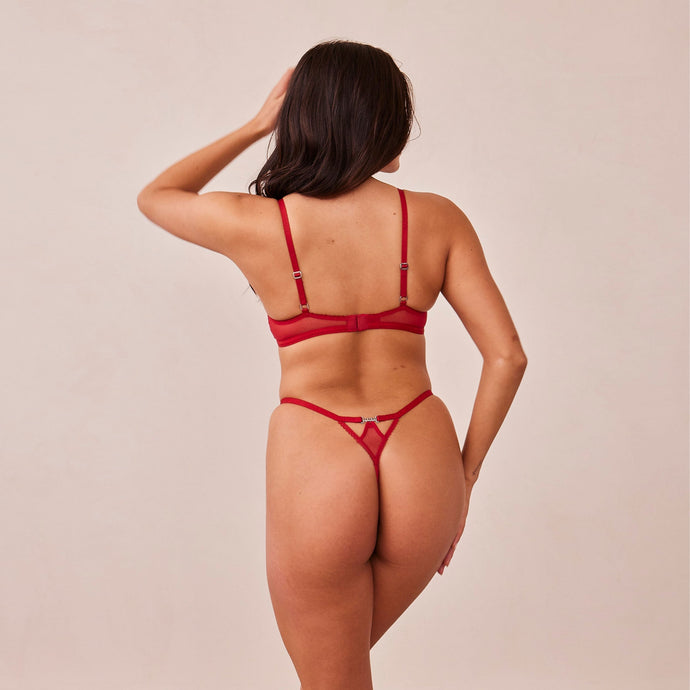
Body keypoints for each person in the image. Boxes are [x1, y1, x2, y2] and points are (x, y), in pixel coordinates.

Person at [137, 39, 527, 690]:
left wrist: (257, 125)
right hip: (422, 453)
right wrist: (464, 478)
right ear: (381, 123)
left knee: (331, 681)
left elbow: (157, 196)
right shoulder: (437, 219)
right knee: (339, 675)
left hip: (318, 448)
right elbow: (507, 356)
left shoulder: (258, 223)